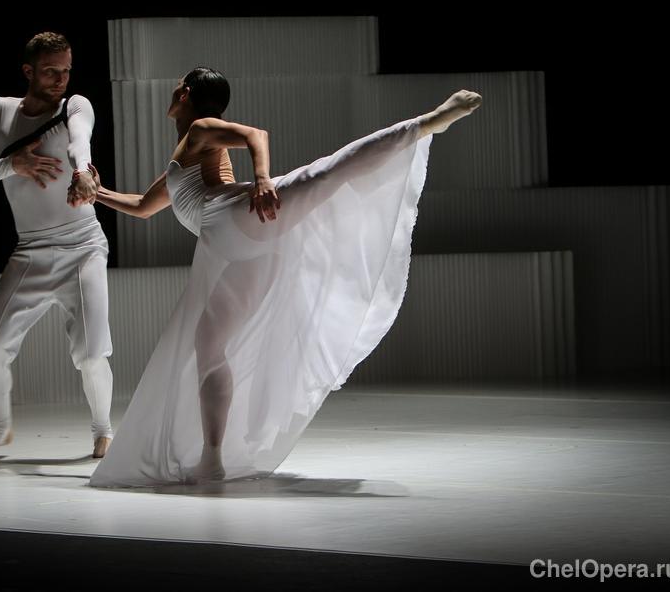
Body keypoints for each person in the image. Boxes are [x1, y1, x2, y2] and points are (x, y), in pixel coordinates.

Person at [84, 66, 480, 485]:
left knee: (325, 174)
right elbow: (143, 206)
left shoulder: (200, 129)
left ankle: (428, 123)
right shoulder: (183, 156)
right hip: (237, 253)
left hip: (237, 217)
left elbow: (256, 136)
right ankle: (212, 458)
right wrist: (97, 193)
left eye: (177, 87)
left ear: (184, 93)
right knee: (208, 345)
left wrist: (261, 181)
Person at [0, 32, 113, 461]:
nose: (61, 79)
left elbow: (80, 140)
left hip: (82, 247)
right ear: (28, 71)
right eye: (50, 71)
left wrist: (82, 172)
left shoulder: (75, 105)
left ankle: (103, 432)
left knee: (91, 353)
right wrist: (11, 164)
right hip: (30, 251)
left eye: (66, 70)